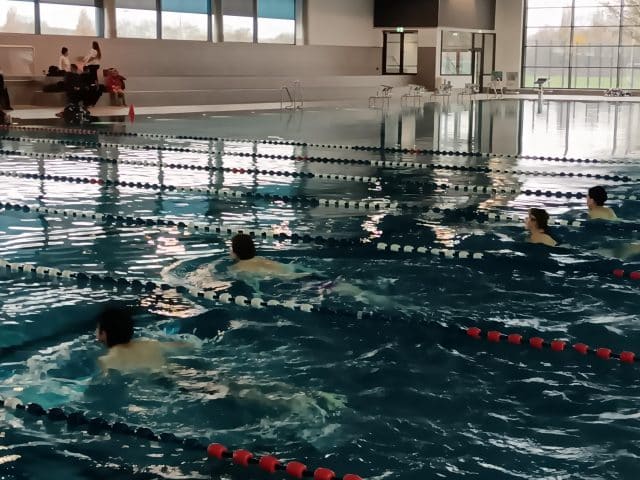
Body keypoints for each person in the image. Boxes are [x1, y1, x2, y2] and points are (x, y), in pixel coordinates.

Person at [96, 305, 190, 373]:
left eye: (97, 328)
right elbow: (186, 345)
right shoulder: (151, 344)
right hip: (169, 375)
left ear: (103, 334)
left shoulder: (106, 361)